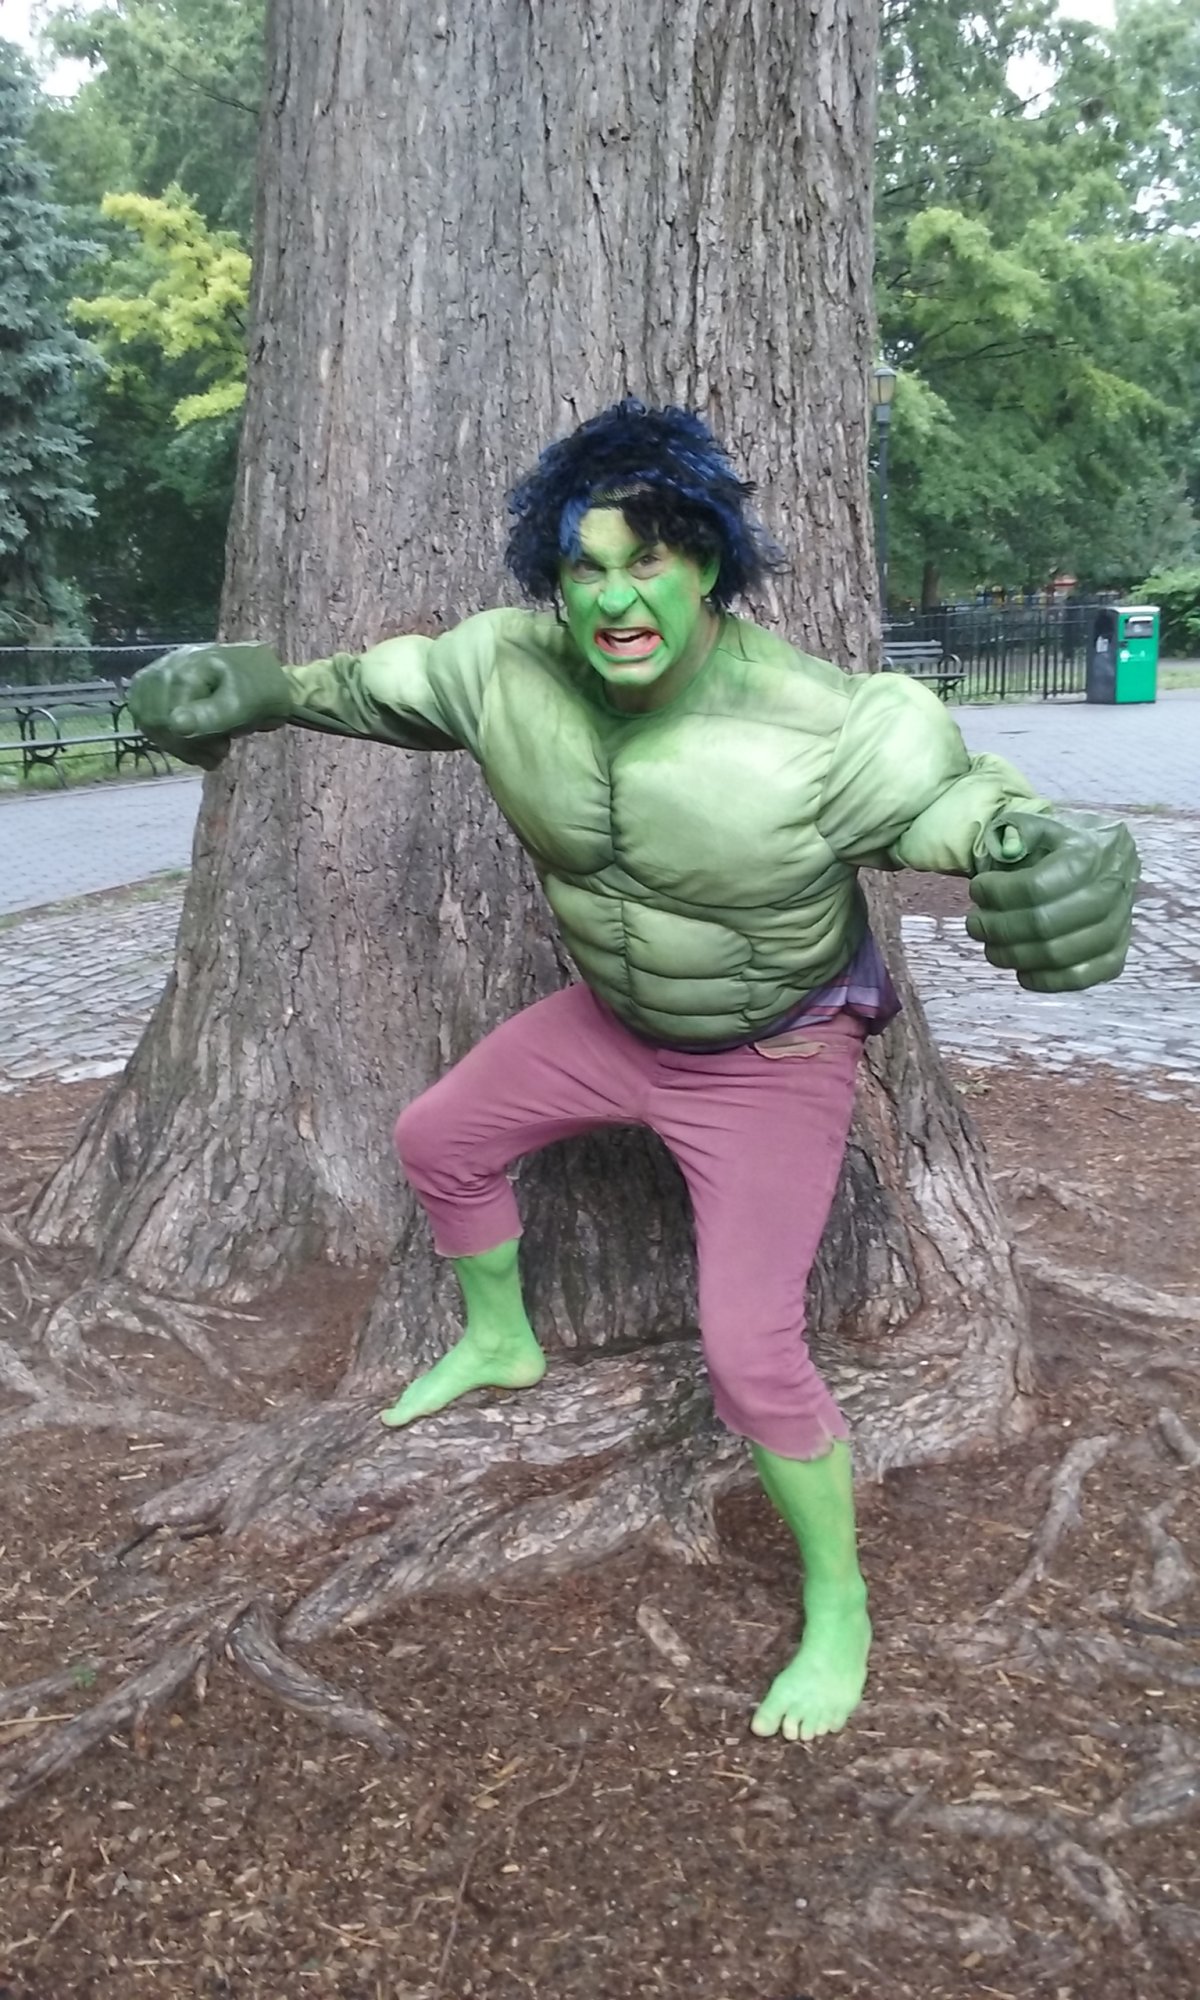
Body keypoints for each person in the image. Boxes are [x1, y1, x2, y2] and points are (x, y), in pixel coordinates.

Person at [128, 400, 1138, 1745]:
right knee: (439, 1136)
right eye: (586, 566)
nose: (615, 597)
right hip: (612, 1026)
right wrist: (248, 688)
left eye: (648, 559)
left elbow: (957, 803)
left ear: (709, 565)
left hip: (771, 1060)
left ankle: (837, 1600)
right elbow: (364, 686)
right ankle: (501, 1336)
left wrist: (1042, 845)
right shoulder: (504, 670)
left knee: (750, 1353)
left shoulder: (831, 724)